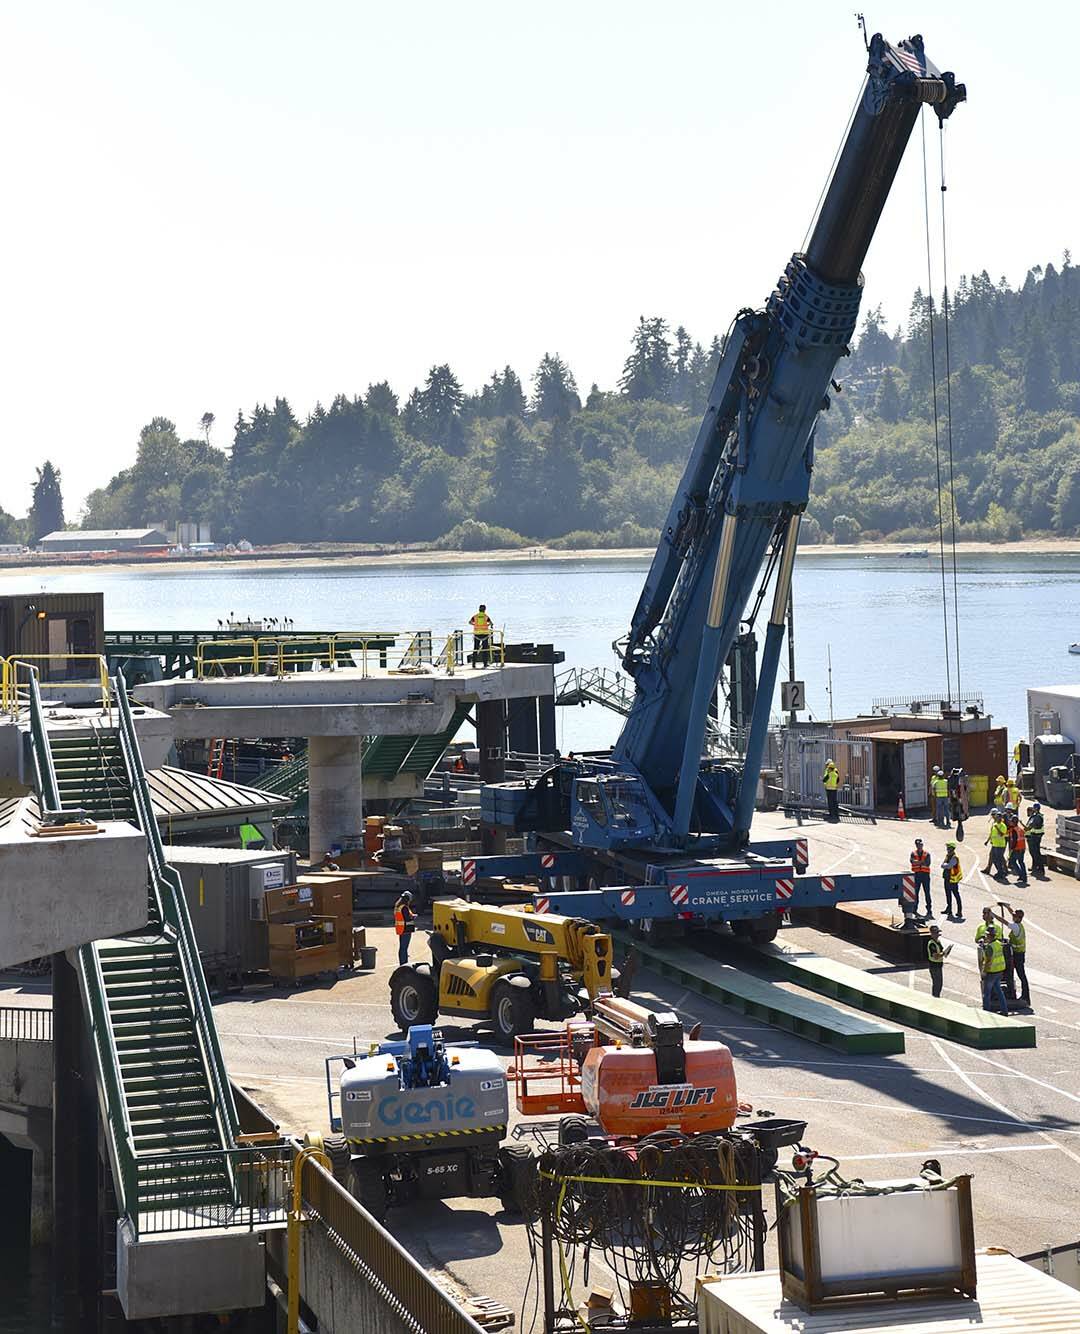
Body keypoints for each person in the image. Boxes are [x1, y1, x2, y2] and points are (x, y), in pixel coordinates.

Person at [1003, 904, 1030, 1008]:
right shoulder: (1019, 924)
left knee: (1021, 975)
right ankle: (1021, 995)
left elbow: (1004, 921)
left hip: (1018, 955)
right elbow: (1012, 912)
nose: (1013, 917)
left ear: (1019, 918)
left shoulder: (1015, 926)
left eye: (1015, 916)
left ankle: (1025, 996)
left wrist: (993, 914)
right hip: (1019, 953)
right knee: (1020, 975)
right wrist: (1006, 906)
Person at [980, 925, 1009, 1015]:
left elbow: (988, 961)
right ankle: (1005, 1011)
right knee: (999, 991)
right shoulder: (998, 944)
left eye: (986, 935)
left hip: (992, 972)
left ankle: (986, 1012)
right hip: (999, 971)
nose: (985, 937)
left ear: (989, 936)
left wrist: (984, 971)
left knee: (987, 993)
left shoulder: (989, 947)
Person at [926, 925, 951, 998]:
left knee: (939, 983)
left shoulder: (938, 941)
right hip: (934, 966)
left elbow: (940, 951)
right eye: (936, 933)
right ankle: (935, 997)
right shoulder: (932, 944)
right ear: (932, 933)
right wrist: (943, 953)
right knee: (937, 983)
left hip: (939, 965)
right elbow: (935, 956)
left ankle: (936, 996)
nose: (938, 934)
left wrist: (946, 952)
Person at [909, 838, 933, 916]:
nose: (920, 846)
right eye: (918, 845)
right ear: (916, 845)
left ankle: (929, 910)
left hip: (925, 875)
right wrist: (921, 862)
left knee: (927, 893)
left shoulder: (927, 853)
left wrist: (917, 862)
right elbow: (912, 862)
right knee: (916, 893)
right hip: (916, 875)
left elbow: (927, 863)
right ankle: (914, 909)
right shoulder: (913, 853)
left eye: (921, 845)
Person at [941, 840, 963, 920]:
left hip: (953, 880)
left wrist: (945, 865)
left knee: (956, 895)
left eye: (948, 848)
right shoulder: (948, 856)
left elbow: (948, 866)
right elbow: (942, 865)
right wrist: (945, 865)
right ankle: (949, 909)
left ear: (952, 849)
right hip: (947, 878)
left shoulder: (954, 858)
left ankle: (959, 911)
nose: (947, 849)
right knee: (948, 895)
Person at [394, 890, 416, 965]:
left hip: (401, 929)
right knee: (404, 948)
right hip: (406, 929)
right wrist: (413, 917)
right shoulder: (404, 908)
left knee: (402, 948)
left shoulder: (399, 906)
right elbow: (407, 918)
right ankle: (404, 964)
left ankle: (402, 962)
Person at [986, 810, 1009, 881]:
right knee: (993, 858)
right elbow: (992, 833)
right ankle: (1000, 871)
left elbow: (1002, 834)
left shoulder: (1003, 825)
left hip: (1000, 845)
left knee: (999, 859)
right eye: (996, 817)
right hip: (994, 844)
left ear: (1001, 818)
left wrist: (997, 828)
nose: (997, 818)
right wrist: (988, 841)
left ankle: (1001, 872)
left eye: (998, 817)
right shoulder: (995, 824)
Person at [1006, 813, 1029, 887]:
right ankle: (1024, 877)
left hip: (1017, 848)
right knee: (1021, 862)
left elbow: (1015, 840)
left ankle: (1021, 875)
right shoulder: (1020, 829)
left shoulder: (1014, 830)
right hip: (1023, 848)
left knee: (1012, 861)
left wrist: (1012, 849)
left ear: (1013, 822)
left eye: (1011, 821)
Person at [1026, 801, 1047, 878]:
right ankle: (1035, 866)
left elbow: (1032, 826)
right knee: (1033, 852)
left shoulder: (1038, 817)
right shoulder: (1035, 816)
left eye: (1034, 808)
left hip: (1036, 837)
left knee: (1036, 852)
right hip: (1033, 836)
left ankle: (1041, 868)